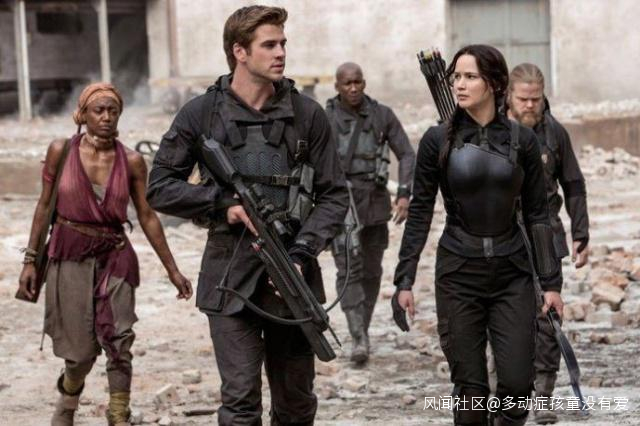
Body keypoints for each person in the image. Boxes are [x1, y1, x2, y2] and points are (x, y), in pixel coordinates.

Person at [145, 6, 348, 425]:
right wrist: (222, 205)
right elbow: (160, 187)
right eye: (269, 45)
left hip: (292, 274)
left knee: (295, 406)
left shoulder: (307, 115)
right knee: (240, 404)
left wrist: (303, 251)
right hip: (229, 276)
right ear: (240, 51)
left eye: (283, 44)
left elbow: (334, 195)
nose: (281, 53)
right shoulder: (201, 114)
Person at [392, 45, 563, 426]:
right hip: (458, 273)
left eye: (470, 77)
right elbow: (420, 212)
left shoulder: (523, 140)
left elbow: (538, 215)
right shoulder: (437, 140)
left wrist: (551, 284)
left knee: (516, 389)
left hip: (512, 274)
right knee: (470, 395)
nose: (460, 84)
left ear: (495, 84)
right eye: (456, 77)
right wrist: (404, 279)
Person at [17, 82, 193, 426]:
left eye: (113, 111)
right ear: (82, 114)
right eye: (99, 110)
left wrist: (173, 270)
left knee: (120, 340)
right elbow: (43, 205)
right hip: (69, 255)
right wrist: (30, 260)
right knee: (79, 353)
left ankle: (118, 414)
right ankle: (68, 398)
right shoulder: (60, 151)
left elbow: (147, 216)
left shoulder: (132, 161)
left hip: (115, 256)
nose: (107, 117)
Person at [505, 63, 589, 425]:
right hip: (501, 238)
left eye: (535, 99)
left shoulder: (555, 133)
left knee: (547, 320)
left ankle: (543, 396)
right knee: (502, 320)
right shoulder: (492, 130)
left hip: (546, 237)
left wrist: (581, 233)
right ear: (509, 95)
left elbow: (574, 184)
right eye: (523, 99)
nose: (529, 105)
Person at [325, 62, 415, 364]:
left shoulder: (381, 115)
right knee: (348, 270)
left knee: (372, 271)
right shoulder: (326, 118)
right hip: (341, 204)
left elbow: (406, 153)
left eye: (358, 82)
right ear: (337, 86)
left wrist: (404, 193)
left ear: (364, 83)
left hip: (375, 203)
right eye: (347, 84)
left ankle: (361, 327)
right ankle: (358, 336)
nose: (353, 89)